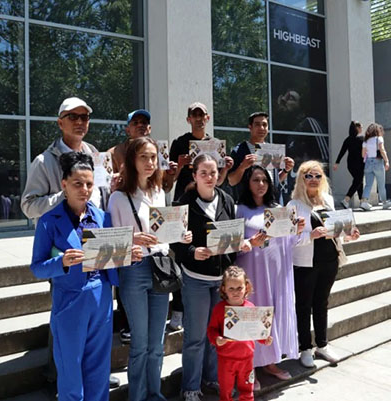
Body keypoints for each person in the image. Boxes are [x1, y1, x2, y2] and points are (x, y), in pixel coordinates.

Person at [20, 97, 120, 389]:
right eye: (73, 116)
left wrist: (109, 189)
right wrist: (64, 196)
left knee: (95, 338)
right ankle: (62, 376)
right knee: (66, 327)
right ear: (60, 122)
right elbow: (28, 205)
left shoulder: (94, 154)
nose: (79, 122)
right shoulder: (44, 161)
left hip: (95, 244)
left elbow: (98, 195)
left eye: (84, 117)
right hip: (64, 246)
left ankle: (89, 378)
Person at [29, 152, 140, 401]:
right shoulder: (49, 221)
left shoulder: (102, 217)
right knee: (70, 369)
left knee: (99, 369)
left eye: (89, 184)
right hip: (69, 301)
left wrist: (127, 255)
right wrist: (61, 262)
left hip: (101, 297)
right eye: (78, 184)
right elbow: (37, 267)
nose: (85, 190)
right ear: (64, 184)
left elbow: (110, 257)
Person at [108, 137, 192, 401]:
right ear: (132, 160)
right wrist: (132, 240)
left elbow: (163, 233)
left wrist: (180, 235)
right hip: (134, 270)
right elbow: (109, 241)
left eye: (153, 157)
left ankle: (154, 394)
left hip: (160, 267)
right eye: (143, 156)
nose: (149, 162)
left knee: (157, 343)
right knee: (140, 344)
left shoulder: (158, 193)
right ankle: (137, 396)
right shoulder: (118, 197)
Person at [170, 154, 250, 401]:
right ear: (194, 175)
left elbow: (233, 235)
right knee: (195, 337)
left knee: (218, 334)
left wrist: (239, 245)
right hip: (195, 278)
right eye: (203, 173)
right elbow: (174, 241)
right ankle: (190, 387)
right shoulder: (184, 203)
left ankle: (212, 377)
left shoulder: (226, 199)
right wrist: (193, 252)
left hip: (220, 279)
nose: (209, 177)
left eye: (213, 172)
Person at [234, 165, 305, 390]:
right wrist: (250, 242)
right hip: (252, 271)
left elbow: (289, 242)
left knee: (273, 315)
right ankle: (250, 367)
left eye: (265, 180)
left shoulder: (277, 209)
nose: (261, 184)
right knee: (254, 315)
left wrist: (297, 230)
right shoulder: (239, 210)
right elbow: (232, 244)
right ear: (247, 183)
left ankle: (270, 362)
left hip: (276, 272)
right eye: (256, 180)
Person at [167, 102, 234, 331]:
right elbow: (170, 179)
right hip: (186, 205)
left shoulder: (215, 144)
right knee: (182, 255)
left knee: (207, 252)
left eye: (201, 115)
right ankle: (178, 309)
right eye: (194, 115)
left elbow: (219, 181)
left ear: (207, 118)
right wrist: (180, 166)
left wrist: (225, 168)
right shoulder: (179, 142)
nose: (198, 118)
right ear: (188, 119)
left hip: (208, 204)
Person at [287, 161, 359, 369]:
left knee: (322, 303)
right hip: (305, 263)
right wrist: (310, 235)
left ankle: (322, 345)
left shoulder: (327, 200)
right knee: (303, 306)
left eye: (318, 176)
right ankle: (305, 348)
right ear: (301, 178)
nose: (313, 180)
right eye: (308, 176)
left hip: (329, 259)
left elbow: (336, 229)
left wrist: (349, 235)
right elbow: (289, 240)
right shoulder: (293, 205)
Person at [207, 266, 273, 401]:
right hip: (226, 359)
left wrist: (264, 339)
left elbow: (255, 331)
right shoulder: (219, 309)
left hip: (247, 359)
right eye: (231, 288)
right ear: (224, 289)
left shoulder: (251, 308)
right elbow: (212, 329)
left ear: (246, 287)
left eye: (239, 288)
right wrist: (216, 339)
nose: (236, 292)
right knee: (225, 391)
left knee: (247, 391)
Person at [226, 112, 295, 197]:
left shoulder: (272, 150)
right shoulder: (239, 150)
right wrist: (242, 167)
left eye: (264, 125)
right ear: (250, 127)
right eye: (257, 125)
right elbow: (231, 181)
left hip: (271, 201)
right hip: (248, 201)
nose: (261, 128)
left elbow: (275, 180)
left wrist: (286, 170)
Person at [107, 109, 177, 193]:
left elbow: (165, 188)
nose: (140, 125)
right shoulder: (113, 153)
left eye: (144, 122)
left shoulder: (159, 152)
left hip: (152, 198)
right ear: (128, 130)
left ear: (149, 129)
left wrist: (170, 174)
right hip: (125, 198)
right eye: (135, 123)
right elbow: (106, 187)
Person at [333, 121, 364, 209]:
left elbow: (342, 152)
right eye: (361, 127)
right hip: (360, 164)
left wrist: (337, 163)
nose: (362, 129)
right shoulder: (362, 139)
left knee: (358, 181)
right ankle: (346, 199)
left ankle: (362, 201)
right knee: (358, 181)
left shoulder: (348, 139)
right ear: (357, 128)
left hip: (350, 164)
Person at [360, 124, 391, 211]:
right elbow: (382, 150)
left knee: (368, 184)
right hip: (378, 162)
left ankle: (364, 201)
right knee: (381, 184)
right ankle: (384, 202)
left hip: (368, 162)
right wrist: (387, 161)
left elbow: (363, 154)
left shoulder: (365, 141)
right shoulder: (379, 139)